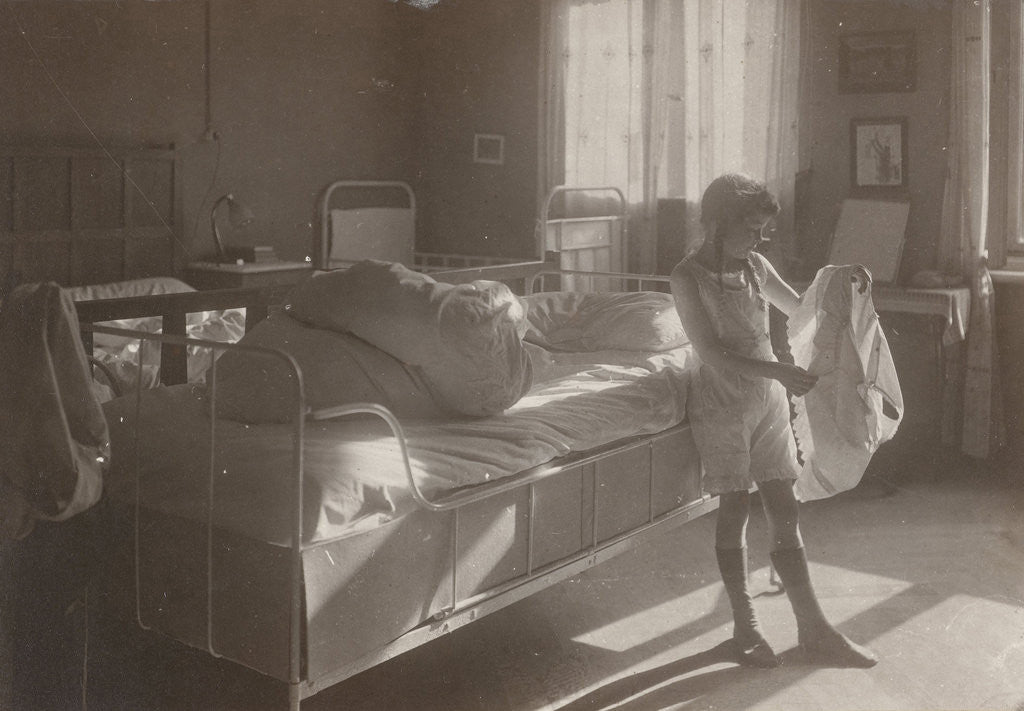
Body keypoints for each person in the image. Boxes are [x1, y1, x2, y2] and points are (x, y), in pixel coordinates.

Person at [669, 173, 877, 669]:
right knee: (735, 509)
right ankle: (746, 629)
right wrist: (781, 370)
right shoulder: (687, 276)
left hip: (764, 399)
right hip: (721, 402)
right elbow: (711, 353)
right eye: (752, 229)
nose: (760, 240)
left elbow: (801, 309)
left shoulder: (756, 268)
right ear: (718, 223)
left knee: (784, 509)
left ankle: (814, 630)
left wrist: (838, 281)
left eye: (764, 230)